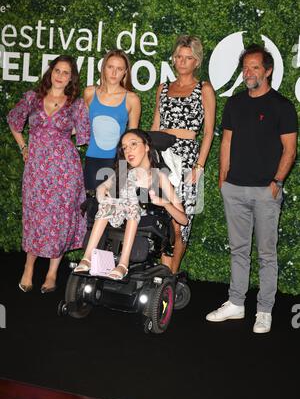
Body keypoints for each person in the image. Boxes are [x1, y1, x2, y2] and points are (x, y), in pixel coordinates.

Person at [206, 43, 298, 333]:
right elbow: (227, 143)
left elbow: (290, 150)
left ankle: (264, 310)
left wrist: (277, 182)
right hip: (234, 188)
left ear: (268, 70)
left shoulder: (282, 106)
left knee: (267, 254)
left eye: (255, 67)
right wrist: (223, 180)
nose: (248, 72)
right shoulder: (234, 103)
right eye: (245, 67)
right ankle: (236, 303)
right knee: (239, 250)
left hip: (265, 192)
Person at [8, 55, 90, 293]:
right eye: (57, 70)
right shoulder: (32, 98)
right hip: (36, 169)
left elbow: (84, 133)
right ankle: (28, 268)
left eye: (66, 73)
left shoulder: (75, 104)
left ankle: (52, 272)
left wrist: (64, 133)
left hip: (64, 170)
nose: (60, 76)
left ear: (71, 78)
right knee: (35, 215)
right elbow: (14, 122)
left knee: (60, 218)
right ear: (50, 72)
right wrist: (24, 146)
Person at [74, 129, 188, 279]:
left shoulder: (158, 176)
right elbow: (102, 187)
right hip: (116, 214)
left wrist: (165, 203)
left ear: (147, 147)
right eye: (125, 147)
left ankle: (123, 264)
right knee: (108, 203)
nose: (128, 151)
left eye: (133, 144)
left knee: (133, 205)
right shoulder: (122, 172)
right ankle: (87, 258)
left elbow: (183, 220)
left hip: (139, 215)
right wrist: (102, 195)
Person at [151, 35, 216, 273]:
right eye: (179, 56)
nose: (182, 61)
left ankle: (171, 275)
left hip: (188, 159)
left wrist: (199, 167)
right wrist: (148, 160)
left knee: (181, 222)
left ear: (197, 61)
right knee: (161, 217)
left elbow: (208, 132)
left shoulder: (204, 88)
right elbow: (154, 127)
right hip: (161, 157)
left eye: (188, 58)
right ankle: (161, 273)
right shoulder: (163, 88)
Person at [83, 49, 141, 191]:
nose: (114, 73)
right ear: (103, 68)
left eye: (119, 69)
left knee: (115, 208)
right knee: (91, 208)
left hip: (118, 162)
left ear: (125, 72)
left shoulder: (132, 99)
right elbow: (81, 126)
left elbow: (134, 139)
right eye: (110, 67)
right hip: (92, 159)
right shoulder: (89, 92)